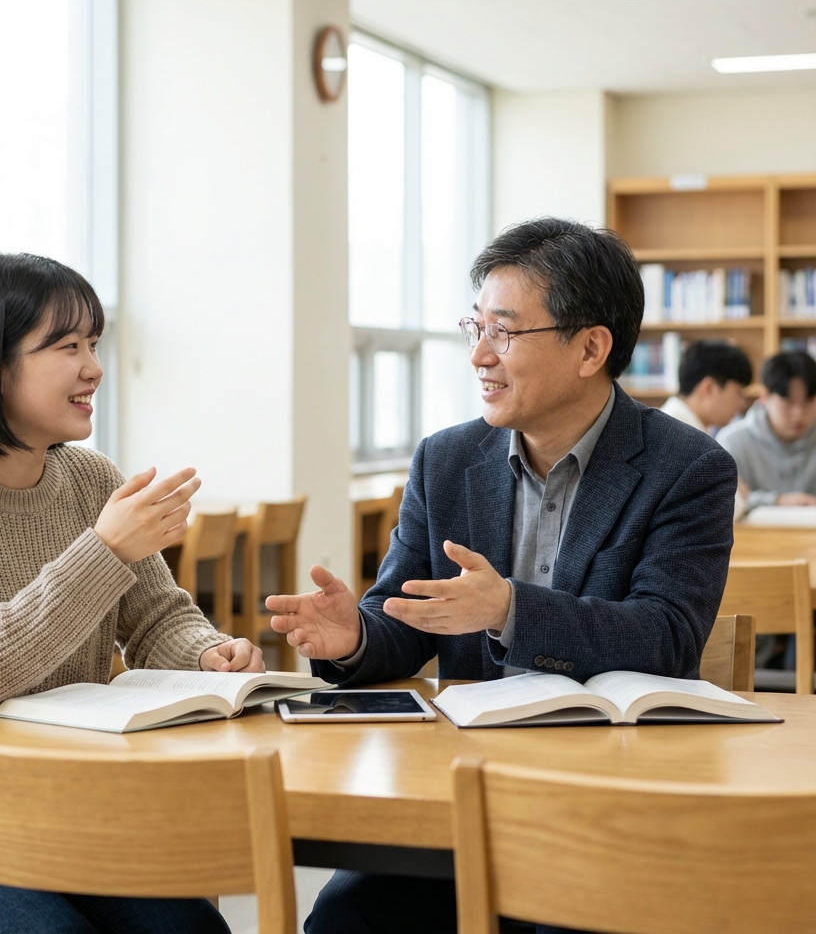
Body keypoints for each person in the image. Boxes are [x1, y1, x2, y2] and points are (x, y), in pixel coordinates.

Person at [267, 218, 738, 934]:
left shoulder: (688, 468)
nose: (480, 355)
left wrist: (508, 610)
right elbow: (406, 619)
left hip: (608, 792)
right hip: (458, 784)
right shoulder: (445, 460)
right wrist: (353, 639)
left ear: (590, 347)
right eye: (474, 328)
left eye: (506, 333)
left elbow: (666, 638)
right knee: (343, 921)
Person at [0, 253, 259, 934]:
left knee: (192, 930)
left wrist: (209, 652)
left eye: (93, 343)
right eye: (66, 346)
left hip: (56, 810)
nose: (93, 367)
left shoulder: (90, 479)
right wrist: (103, 551)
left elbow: (157, 619)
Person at [717, 350, 816, 512]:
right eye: (788, 402)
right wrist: (778, 501)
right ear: (764, 397)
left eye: (808, 402)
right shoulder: (733, 441)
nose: (798, 414)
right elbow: (722, 500)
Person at [660, 339, 752, 432]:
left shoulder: (687, 428)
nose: (742, 403)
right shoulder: (673, 433)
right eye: (739, 392)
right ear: (709, 388)